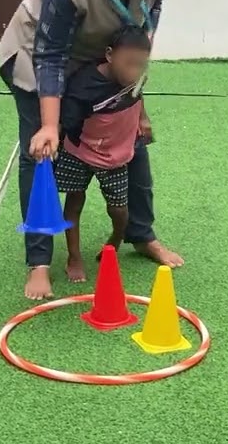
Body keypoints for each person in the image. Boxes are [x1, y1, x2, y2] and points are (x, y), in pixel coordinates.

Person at [0, 0, 184, 300]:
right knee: (41, 153)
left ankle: (141, 234)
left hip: (101, 57)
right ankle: (39, 261)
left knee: (132, 142)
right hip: (37, 57)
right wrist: (51, 126)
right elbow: (50, 55)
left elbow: (145, 25)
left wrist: (136, 100)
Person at [55, 25, 153, 283]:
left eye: (140, 65)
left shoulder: (136, 77)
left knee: (119, 209)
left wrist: (143, 118)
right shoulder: (84, 85)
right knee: (74, 201)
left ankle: (116, 238)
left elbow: (137, 93)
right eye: (128, 63)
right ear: (109, 55)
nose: (134, 71)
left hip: (115, 156)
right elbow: (66, 120)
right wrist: (55, 139)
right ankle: (74, 256)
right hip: (79, 151)